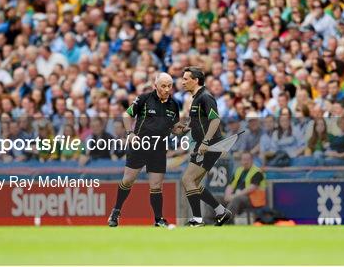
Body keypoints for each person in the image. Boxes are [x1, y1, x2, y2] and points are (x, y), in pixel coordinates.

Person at [108, 73, 181, 228]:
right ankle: (116, 211)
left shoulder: (174, 105)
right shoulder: (144, 99)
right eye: (163, 86)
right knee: (128, 180)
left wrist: (181, 129)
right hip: (140, 146)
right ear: (156, 85)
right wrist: (130, 133)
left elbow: (174, 128)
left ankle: (158, 219)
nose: (167, 89)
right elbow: (126, 115)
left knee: (156, 185)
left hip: (159, 148)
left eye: (169, 86)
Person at [179, 67, 232, 227]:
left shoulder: (205, 97)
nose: (182, 82)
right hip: (204, 145)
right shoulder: (196, 98)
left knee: (187, 179)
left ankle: (197, 219)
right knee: (193, 183)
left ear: (196, 80)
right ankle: (221, 211)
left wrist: (206, 142)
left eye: (186, 79)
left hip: (209, 145)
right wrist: (186, 128)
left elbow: (215, 120)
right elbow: (202, 123)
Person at [223, 152, 266, 220]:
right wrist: (227, 196)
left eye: (247, 160)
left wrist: (234, 196)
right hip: (238, 196)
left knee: (236, 199)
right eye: (243, 160)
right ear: (241, 161)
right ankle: (208, 222)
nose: (245, 162)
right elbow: (230, 185)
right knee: (215, 198)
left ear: (252, 160)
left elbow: (251, 188)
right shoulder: (238, 170)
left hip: (252, 199)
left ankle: (225, 221)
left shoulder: (257, 172)